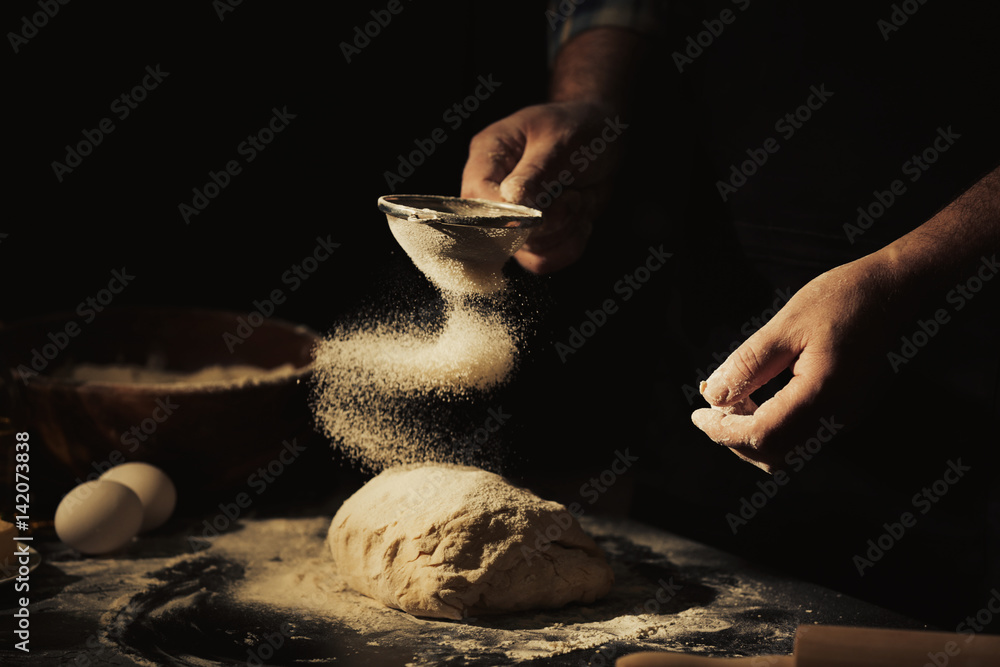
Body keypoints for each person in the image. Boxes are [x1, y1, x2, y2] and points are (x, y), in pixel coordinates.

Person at [459, 0, 1000, 631]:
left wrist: (916, 272)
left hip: (970, 344)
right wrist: (592, 100)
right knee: (681, 622)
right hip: (722, 307)